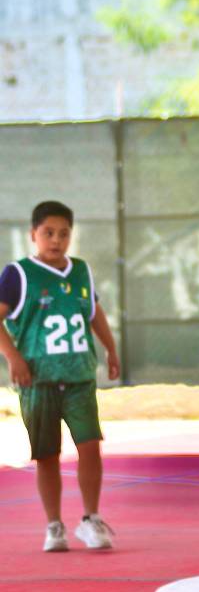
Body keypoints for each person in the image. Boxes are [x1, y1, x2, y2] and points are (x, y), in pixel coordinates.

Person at [0, 200, 121, 552]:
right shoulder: (18, 274)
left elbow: (94, 312)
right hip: (38, 379)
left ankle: (90, 518)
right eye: (48, 233)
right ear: (33, 235)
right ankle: (54, 525)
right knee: (47, 454)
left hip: (79, 375)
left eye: (64, 233)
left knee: (89, 446)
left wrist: (110, 349)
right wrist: (14, 358)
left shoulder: (80, 270)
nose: (56, 240)